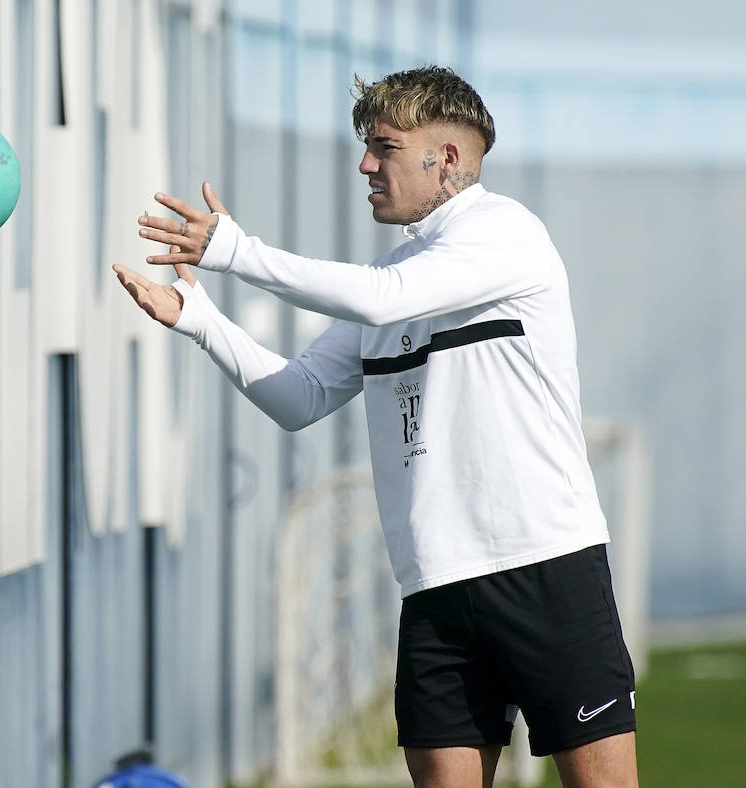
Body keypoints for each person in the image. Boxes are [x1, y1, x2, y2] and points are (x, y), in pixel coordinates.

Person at [113, 65, 639, 788]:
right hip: (435, 588)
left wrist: (236, 251)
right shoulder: (395, 274)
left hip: (545, 568)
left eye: (385, 146)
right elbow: (299, 398)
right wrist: (203, 322)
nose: (366, 164)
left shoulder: (503, 232)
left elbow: (385, 299)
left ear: (446, 158)